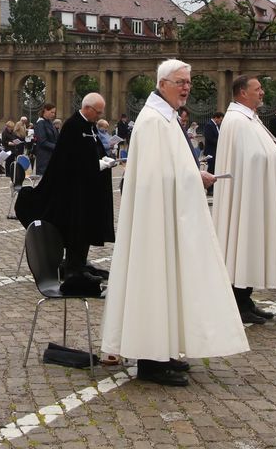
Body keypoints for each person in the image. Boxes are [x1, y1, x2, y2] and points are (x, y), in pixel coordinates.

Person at [102, 60, 249, 387]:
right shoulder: (154, 120)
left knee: (169, 283)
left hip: (170, 216)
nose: (186, 87)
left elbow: (170, 167)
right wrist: (190, 177)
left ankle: (165, 351)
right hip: (156, 222)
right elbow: (154, 179)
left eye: (189, 82)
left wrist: (194, 174)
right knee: (155, 282)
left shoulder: (165, 117)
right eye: (180, 82)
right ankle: (151, 360)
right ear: (163, 83)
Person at [212, 75, 276, 323]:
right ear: (243, 93)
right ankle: (239, 301)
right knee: (242, 241)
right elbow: (250, 158)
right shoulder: (237, 120)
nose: (262, 92)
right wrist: (272, 154)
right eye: (258, 89)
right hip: (244, 195)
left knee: (251, 242)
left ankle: (246, 299)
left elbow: (258, 152)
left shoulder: (250, 119)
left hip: (254, 191)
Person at [26, 93, 113, 295]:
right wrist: (95, 163)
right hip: (73, 190)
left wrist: (103, 160)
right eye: (98, 112)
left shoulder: (89, 126)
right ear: (88, 108)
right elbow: (69, 157)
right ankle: (74, 268)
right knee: (76, 228)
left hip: (87, 188)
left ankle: (80, 264)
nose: (99, 116)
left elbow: (93, 149)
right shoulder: (73, 126)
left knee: (86, 227)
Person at [32, 103, 59, 174]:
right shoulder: (40, 123)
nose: (53, 114)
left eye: (54, 112)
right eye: (51, 112)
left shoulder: (50, 123)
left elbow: (55, 138)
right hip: (44, 158)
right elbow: (42, 142)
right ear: (45, 111)